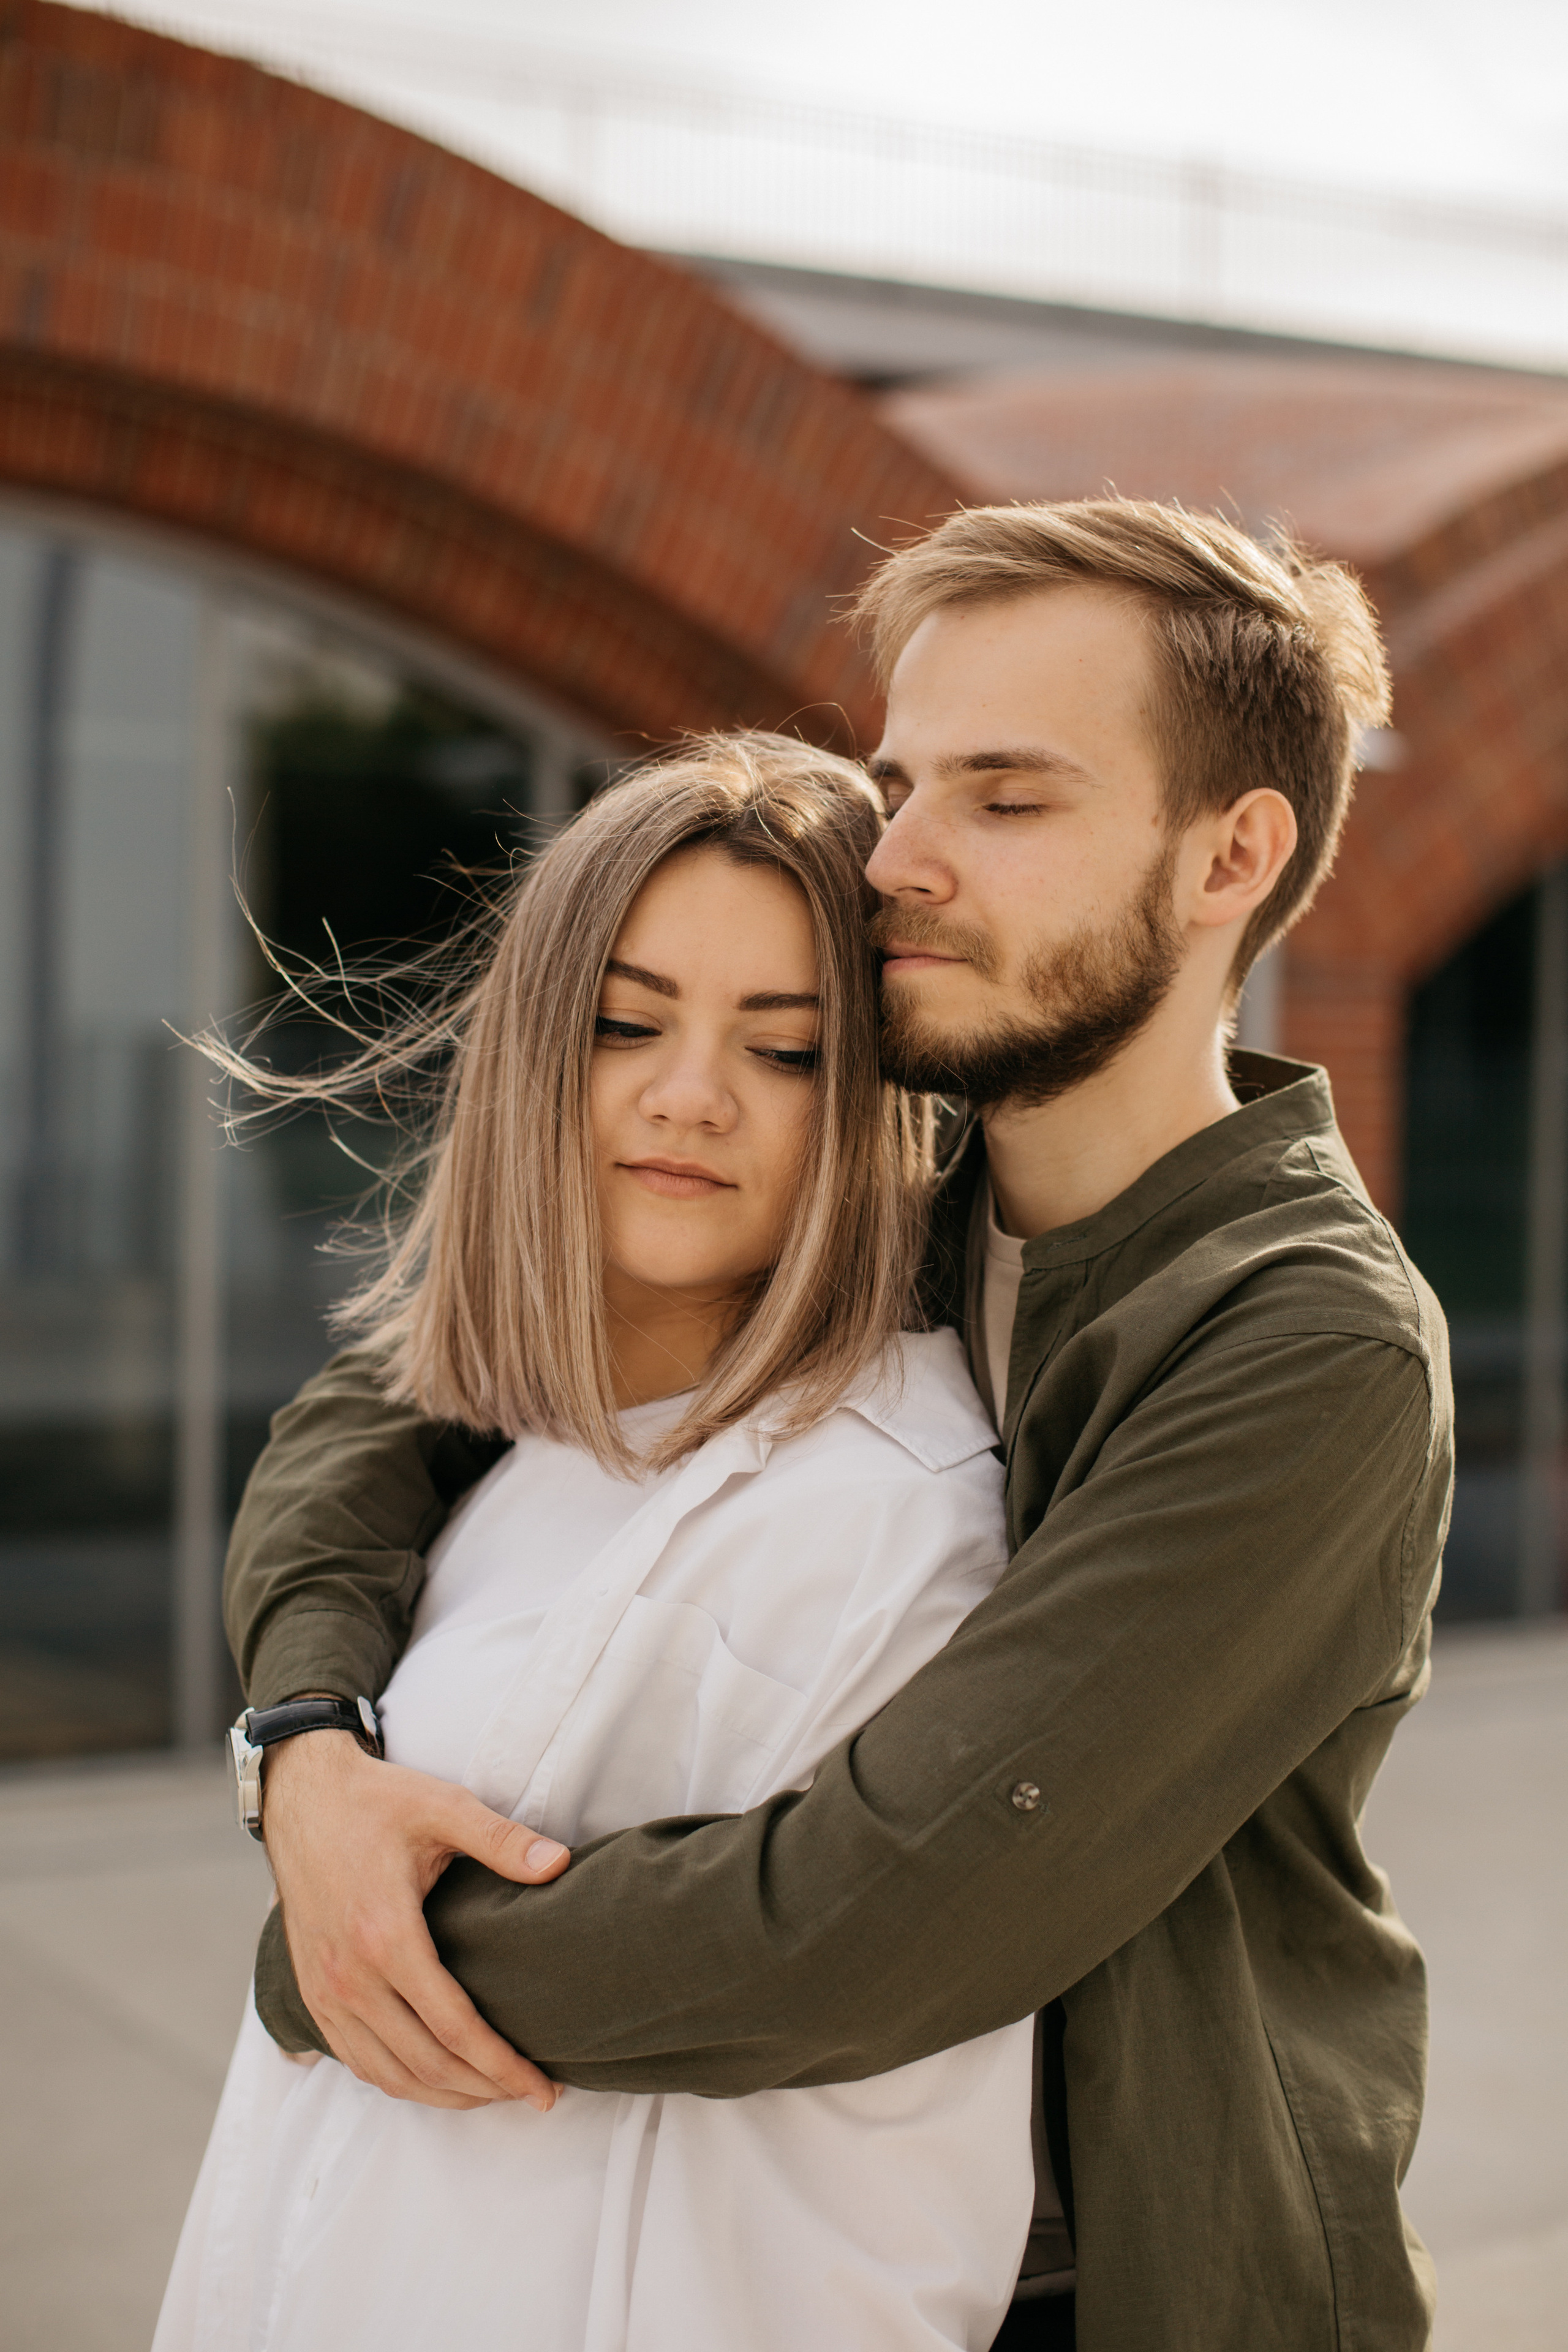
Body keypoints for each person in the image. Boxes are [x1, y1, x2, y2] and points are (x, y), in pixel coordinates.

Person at [223, 499, 1453, 2352]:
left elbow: (875, 1918)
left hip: (1130, 2281)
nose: (899, 859)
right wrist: (309, 1754)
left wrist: (359, 1961)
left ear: (1232, 858)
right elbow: (413, 1381)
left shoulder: (1313, 1346)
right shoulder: (907, 1170)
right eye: (904, 781)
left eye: (1006, 799)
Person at [156, 736, 1042, 2351]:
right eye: (628, 1023)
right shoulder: (517, 1446)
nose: (686, 1096)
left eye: (782, 1053)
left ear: (867, 1104)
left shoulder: (887, 1518)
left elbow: (887, 2197)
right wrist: (300, 1763)